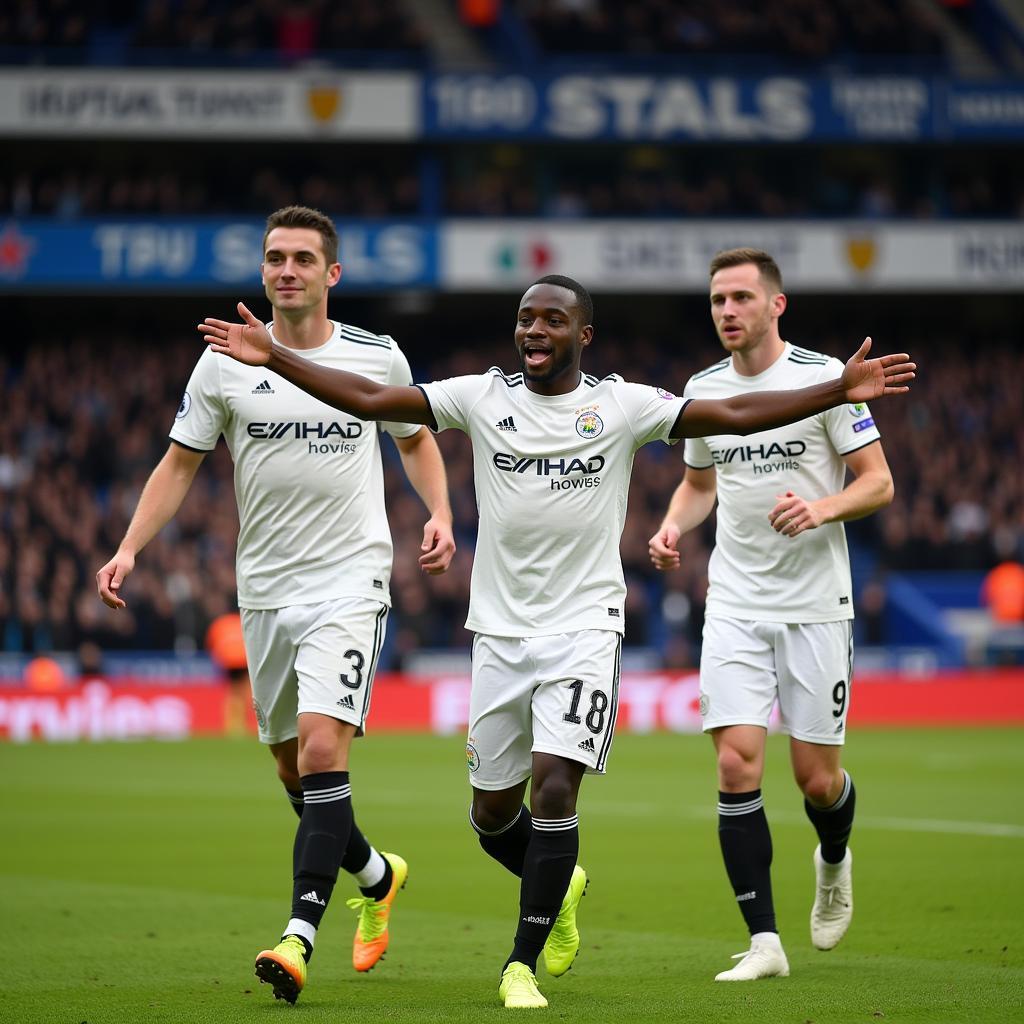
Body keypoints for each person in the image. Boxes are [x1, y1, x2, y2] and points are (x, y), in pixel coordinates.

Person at [198, 273, 914, 1008]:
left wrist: (835, 390)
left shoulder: (621, 404)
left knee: (557, 786)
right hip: (499, 637)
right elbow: (375, 402)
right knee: (491, 815)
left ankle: (519, 964)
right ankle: (562, 888)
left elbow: (731, 411)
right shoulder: (481, 397)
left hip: (585, 632)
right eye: (524, 319)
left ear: (583, 336)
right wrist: (275, 358)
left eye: (551, 320)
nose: (534, 330)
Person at [96, 205, 455, 1005]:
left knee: (326, 753)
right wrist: (128, 547)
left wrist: (438, 511)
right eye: (273, 257)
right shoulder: (222, 363)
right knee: (293, 767)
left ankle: (297, 937)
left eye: (301, 258)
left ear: (332, 274)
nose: (285, 269)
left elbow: (418, 438)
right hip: (264, 590)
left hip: (350, 581)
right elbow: (180, 464)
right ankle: (375, 872)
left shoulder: (374, 353)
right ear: (262, 270)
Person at [649, 247, 897, 982]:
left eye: (740, 299)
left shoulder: (827, 380)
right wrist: (672, 524)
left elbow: (878, 483)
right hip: (734, 601)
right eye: (718, 299)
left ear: (775, 305)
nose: (727, 311)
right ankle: (764, 943)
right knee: (734, 763)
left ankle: (832, 855)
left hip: (817, 605)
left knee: (817, 781)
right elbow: (699, 483)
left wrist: (821, 507)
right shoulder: (702, 389)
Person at [205, 609, 252, 737]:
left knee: (233, 693)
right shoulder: (243, 621)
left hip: (228, 660)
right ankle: (242, 725)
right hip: (243, 659)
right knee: (244, 692)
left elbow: (212, 645)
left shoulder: (219, 623)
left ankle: (233, 725)